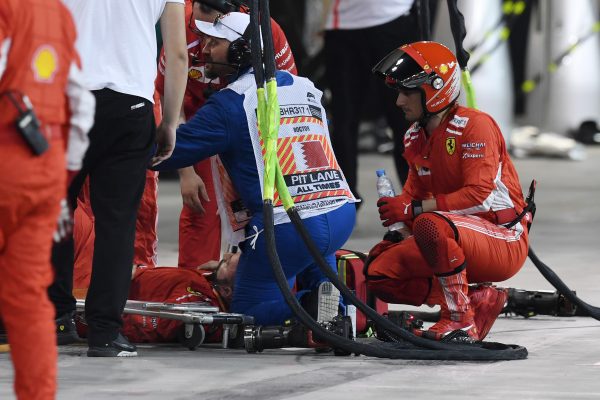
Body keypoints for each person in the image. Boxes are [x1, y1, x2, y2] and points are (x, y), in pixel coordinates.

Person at [153, 12, 357, 325]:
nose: (204, 49)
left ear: (240, 52)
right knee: (318, 269)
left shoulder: (230, 104)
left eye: (215, 42)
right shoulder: (306, 88)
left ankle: (312, 308)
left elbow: (170, 151)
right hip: (339, 213)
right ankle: (343, 313)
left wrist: (119, 145)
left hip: (288, 227)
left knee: (248, 310)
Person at [49, 0, 188, 357]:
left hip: (66, 101)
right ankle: (104, 332)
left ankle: (56, 318)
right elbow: (177, 56)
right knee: (117, 223)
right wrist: (170, 122)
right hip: (130, 108)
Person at [367, 41, 532, 341]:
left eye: (407, 92)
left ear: (434, 89)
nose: (399, 102)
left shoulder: (475, 126)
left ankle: (460, 319)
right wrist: (398, 218)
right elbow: (413, 194)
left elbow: (478, 196)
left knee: (430, 224)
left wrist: (413, 210)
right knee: (378, 270)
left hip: (503, 237)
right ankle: (474, 299)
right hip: (452, 235)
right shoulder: (413, 136)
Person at [155, 0, 297, 269]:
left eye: (214, 18)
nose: (205, 39)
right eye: (200, 9)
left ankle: (257, 276)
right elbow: (166, 96)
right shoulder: (180, 25)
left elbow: (289, 95)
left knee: (270, 209)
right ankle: (193, 290)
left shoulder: (264, 29)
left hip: (253, 129)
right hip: (201, 129)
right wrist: (186, 173)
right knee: (200, 209)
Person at [0, 0, 94, 397]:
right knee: (30, 300)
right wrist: (64, 173)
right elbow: (82, 104)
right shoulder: (58, 15)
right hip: (45, 172)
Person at [323, 0, 421, 202]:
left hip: (394, 18)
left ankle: (418, 199)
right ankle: (345, 202)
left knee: (406, 117)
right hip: (344, 25)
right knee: (343, 120)